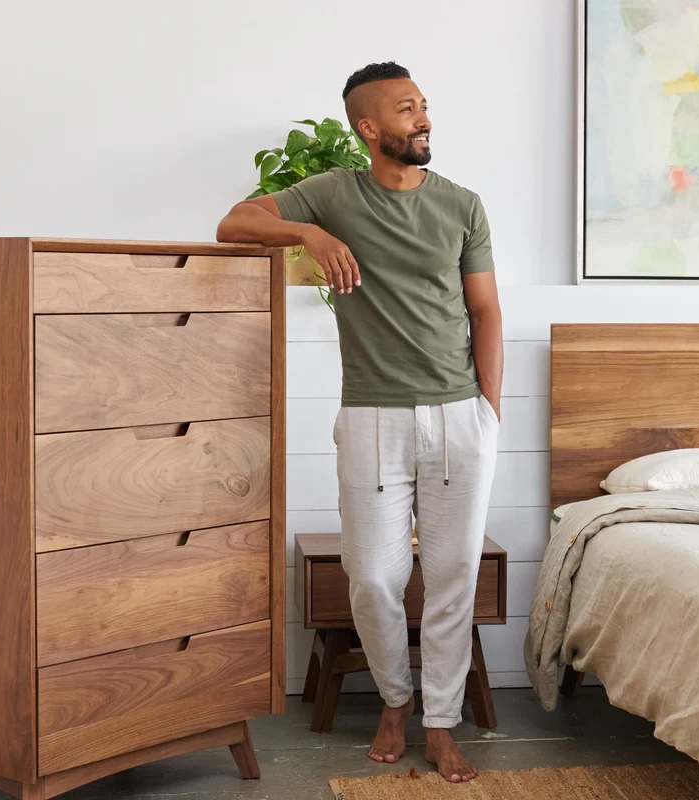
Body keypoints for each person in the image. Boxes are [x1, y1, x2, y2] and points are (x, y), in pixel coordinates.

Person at [216, 61, 502, 784]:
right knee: (374, 577)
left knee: (453, 574)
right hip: (372, 414)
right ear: (369, 128)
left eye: (425, 106)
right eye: (408, 110)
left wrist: (489, 413)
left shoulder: (463, 205)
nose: (424, 119)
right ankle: (395, 702)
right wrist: (310, 234)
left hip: (458, 413)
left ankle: (440, 725)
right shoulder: (334, 193)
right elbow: (232, 224)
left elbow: (486, 312)